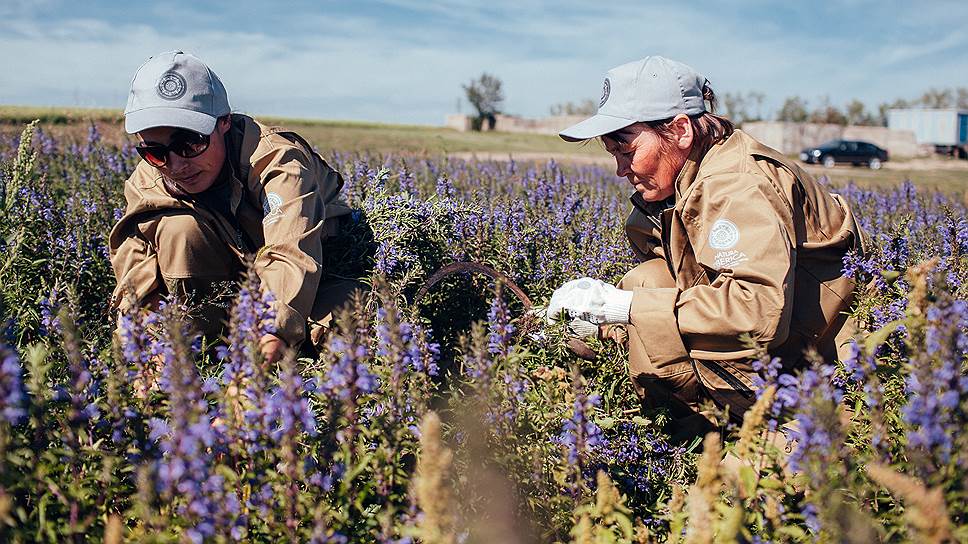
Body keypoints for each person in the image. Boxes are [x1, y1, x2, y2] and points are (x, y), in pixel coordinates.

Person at [547, 56, 866, 428]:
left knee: (748, 481)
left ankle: (718, 433)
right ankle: (696, 426)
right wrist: (595, 324)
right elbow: (681, 288)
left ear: (680, 130)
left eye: (628, 151)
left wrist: (621, 307)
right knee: (646, 281)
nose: (620, 169)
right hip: (771, 356)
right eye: (613, 153)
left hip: (816, 380)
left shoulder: (737, 184)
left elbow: (757, 312)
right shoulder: (677, 185)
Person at [109, 50, 357, 362]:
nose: (176, 165)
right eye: (155, 151)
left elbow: (291, 253)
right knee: (177, 229)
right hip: (228, 276)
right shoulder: (146, 182)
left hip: (316, 268)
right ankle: (207, 351)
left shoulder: (277, 161)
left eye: (190, 144)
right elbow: (137, 279)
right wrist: (144, 353)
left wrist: (262, 352)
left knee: (344, 337)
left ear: (224, 122)